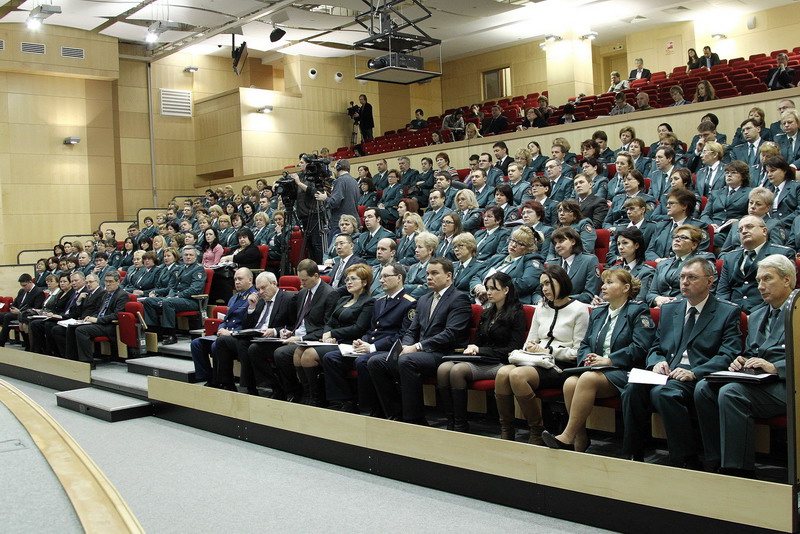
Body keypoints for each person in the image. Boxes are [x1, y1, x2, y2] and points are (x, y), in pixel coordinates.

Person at [623, 257, 741, 467]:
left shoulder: (727, 312)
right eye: (682, 277)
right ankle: (633, 455)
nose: (684, 282)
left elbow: (728, 354)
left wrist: (695, 372)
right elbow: (656, 346)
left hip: (697, 374)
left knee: (664, 393)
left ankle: (686, 459)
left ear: (710, 281)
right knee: (632, 388)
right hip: (667, 372)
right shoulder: (670, 309)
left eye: (692, 277)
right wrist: (657, 362)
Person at [695, 254, 794, 477]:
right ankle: (715, 459)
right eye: (758, 280)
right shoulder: (756, 315)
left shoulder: (797, 311)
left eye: (767, 279)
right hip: (760, 382)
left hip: (788, 384)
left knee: (732, 392)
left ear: (787, 279)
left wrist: (776, 367)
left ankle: (737, 470)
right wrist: (741, 361)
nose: (760, 286)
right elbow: (751, 352)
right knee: (704, 388)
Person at [543, 269, 656, 451]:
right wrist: (587, 359)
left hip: (625, 370)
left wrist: (609, 360)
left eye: (610, 283)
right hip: (597, 370)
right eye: (603, 283)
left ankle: (567, 436)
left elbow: (641, 347)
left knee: (587, 379)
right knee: (570, 383)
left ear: (626, 288)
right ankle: (580, 438)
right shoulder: (598, 312)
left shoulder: (638, 311)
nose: (603, 287)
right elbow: (585, 343)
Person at [367, 257, 473, 425]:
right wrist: (406, 345)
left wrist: (417, 346)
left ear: (448, 276)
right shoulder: (424, 299)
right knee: (376, 362)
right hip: (422, 353)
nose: (429, 277)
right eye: (428, 273)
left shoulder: (459, 298)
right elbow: (412, 330)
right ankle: (395, 414)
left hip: (444, 353)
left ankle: (414, 419)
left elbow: (451, 334)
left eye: (434, 273)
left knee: (407, 360)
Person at [495, 265, 590, 443]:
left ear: (561, 282)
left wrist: (549, 350)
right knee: (502, 374)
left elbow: (578, 352)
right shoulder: (541, 307)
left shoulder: (579, 309)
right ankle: (506, 430)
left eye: (548, 283)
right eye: (542, 285)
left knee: (517, 375)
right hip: (537, 360)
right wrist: (531, 347)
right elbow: (530, 341)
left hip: (561, 364)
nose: (544, 289)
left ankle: (537, 430)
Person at [322, 262, 416, 414]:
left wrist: (372, 347)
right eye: (381, 276)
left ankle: (369, 407)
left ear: (399, 278)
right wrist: (362, 341)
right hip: (371, 346)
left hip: (387, 349)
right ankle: (343, 402)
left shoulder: (409, 303)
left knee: (362, 361)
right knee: (331, 358)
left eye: (386, 276)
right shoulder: (379, 302)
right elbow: (372, 330)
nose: (381, 280)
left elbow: (402, 335)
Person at [439, 272, 526, 432]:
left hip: (501, 361)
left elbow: (514, 348)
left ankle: (460, 424)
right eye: (487, 288)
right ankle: (450, 420)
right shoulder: (486, 313)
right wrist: (473, 349)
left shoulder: (517, 313)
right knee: (443, 368)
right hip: (482, 358)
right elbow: (478, 342)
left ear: (506, 290)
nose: (488, 292)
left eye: (493, 288)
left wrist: (481, 350)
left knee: (457, 371)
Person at [294, 264, 374, 406]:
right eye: (347, 279)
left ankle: (317, 398)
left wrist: (333, 333)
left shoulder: (368, 302)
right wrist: (328, 334)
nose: (348, 282)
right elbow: (330, 321)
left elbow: (358, 328)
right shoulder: (343, 300)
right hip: (334, 341)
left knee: (308, 356)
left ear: (364, 282)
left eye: (353, 279)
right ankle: (307, 393)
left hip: (350, 343)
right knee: (298, 352)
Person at [270, 259, 338, 403]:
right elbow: (300, 320)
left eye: (305, 280)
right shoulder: (302, 293)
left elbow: (327, 326)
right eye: (300, 280)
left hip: (314, 339)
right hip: (299, 336)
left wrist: (301, 339)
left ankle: (311, 395)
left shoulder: (329, 294)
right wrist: (290, 331)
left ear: (316, 276)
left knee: (282, 353)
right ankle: (295, 391)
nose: (301, 283)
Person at [717, 215, 794, 313]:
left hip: (765, 314)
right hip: (732, 314)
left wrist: (755, 316)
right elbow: (723, 292)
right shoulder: (729, 257)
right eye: (740, 230)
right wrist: (727, 314)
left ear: (764, 231)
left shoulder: (781, 254)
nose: (744, 231)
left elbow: (783, 292)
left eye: (749, 227)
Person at [142, 247, 207, 345]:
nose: (188, 257)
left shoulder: (198, 269)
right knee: (148, 301)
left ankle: (171, 335)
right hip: (176, 299)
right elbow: (172, 287)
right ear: (182, 256)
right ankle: (155, 332)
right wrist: (171, 296)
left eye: (191, 255)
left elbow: (195, 289)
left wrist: (178, 296)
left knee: (168, 302)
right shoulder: (181, 268)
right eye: (186, 255)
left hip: (191, 300)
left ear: (195, 257)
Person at [474, 226, 543, 305]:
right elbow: (477, 275)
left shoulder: (532, 262)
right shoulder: (498, 258)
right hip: (480, 301)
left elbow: (526, 284)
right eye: (512, 240)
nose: (513, 245)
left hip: (508, 305)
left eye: (520, 243)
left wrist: (490, 288)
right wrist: (478, 287)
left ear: (529, 249)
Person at [71, 271, 128, 366]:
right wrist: (90, 317)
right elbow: (99, 310)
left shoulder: (122, 295)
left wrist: (97, 320)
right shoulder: (106, 294)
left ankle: (87, 362)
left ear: (118, 282)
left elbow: (116, 315)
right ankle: (72, 357)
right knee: (72, 327)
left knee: (81, 330)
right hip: (100, 323)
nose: (108, 284)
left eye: (110, 281)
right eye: (106, 281)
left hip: (109, 325)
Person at [647, 224, 711, 307]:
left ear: (694, 245)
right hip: (660, 306)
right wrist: (657, 299)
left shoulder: (702, 260)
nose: (677, 240)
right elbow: (651, 293)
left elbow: (706, 289)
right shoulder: (662, 264)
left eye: (683, 237)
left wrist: (675, 301)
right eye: (675, 237)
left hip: (688, 305)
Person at [722, 187, 787, 252]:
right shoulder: (736, 224)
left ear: (768, 208)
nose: (752, 206)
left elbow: (776, 250)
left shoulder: (774, 224)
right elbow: (724, 252)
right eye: (751, 203)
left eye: (758, 204)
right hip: (736, 257)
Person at [315, 158, 359, 243]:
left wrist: (325, 198)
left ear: (338, 168)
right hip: (352, 222)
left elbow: (334, 202)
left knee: (336, 249)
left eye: (334, 168)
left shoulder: (340, 181)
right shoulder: (354, 181)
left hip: (340, 224)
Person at [606, 227, 654, 300]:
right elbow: (604, 294)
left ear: (636, 245)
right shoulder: (613, 269)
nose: (620, 247)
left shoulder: (646, 272)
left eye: (625, 243)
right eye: (618, 244)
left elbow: (640, 299)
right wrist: (598, 300)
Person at [0, 273, 45, 347]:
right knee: (2, 315)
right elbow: (14, 303)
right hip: (17, 312)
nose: (23, 287)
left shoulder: (38, 292)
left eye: (25, 285)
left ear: (30, 282)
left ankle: (1, 342)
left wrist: (19, 311)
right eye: (22, 285)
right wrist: (12, 308)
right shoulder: (21, 291)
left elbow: (36, 308)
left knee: (7, 316)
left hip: (27, 314)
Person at [765, 155, 800, 225]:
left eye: (772, 171)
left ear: (784, 170)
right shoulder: (767, 190)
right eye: (767, 172)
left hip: (789, 226)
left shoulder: (797, 187)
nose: (769, 174)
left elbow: (799, 212)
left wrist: (780, 223)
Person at [404, 232, 437, 298]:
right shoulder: (413, 267)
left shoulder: (435, 267)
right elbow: (404, 286)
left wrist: (409, 297)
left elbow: (427, 288)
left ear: (430, 250)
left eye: (420, 247)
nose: (416, 250)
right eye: (416, 247)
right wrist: (417, 286)